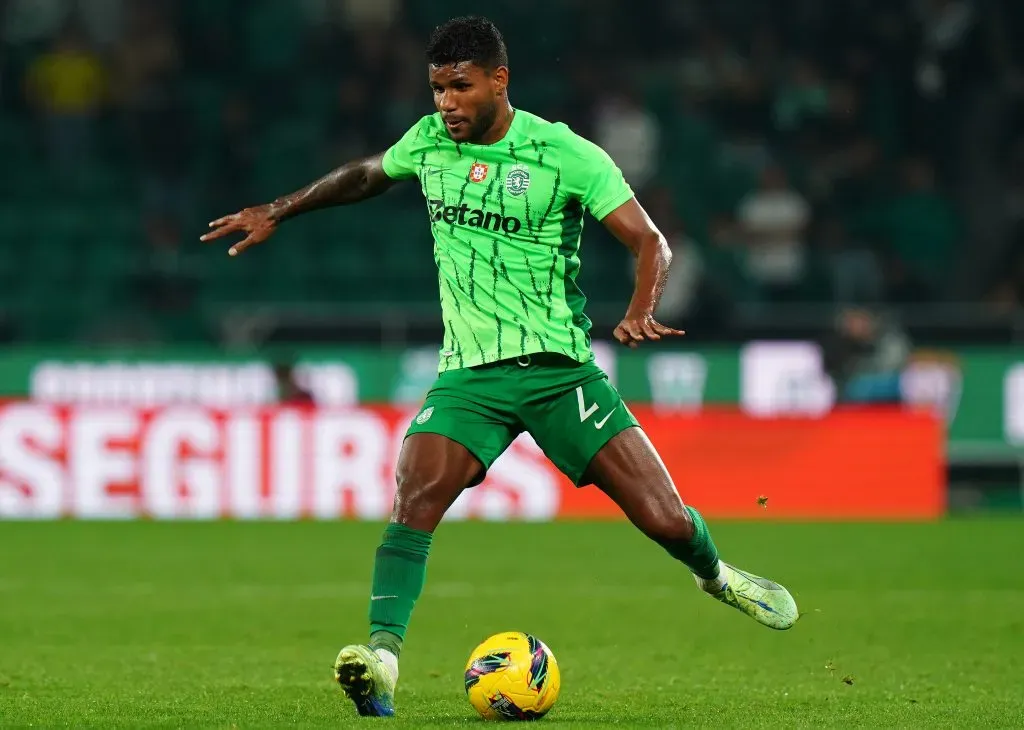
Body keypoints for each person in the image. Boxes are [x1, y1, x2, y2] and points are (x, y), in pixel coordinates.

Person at [201, 16, 798, 718]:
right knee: (414, 497)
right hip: (470, 376)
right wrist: (282, 207)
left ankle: (716, 575)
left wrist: (640, 306)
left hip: (559, 372)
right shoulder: (427, 142)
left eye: (460, 87)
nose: (445, 103)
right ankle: (383, 660)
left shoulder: (563, 152)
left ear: (499, 80)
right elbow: (368, 175)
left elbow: (650, 241)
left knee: (665, 521)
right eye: (436, 89)